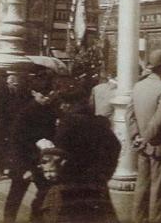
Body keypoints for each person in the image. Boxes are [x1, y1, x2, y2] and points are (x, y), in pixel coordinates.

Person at [40, 87, 121, 223]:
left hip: (71, 183)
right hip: (95, 181)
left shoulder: (67, 124)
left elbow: (60, 154)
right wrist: (105, 172)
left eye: (65, 103)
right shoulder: (100, 123)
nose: (62, 106)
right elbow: (115, 146)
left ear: (72, 104)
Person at [125, 49, 161, 223]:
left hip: (142, 145)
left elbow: (129, 114)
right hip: (158, 143)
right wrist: (146, 137)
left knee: (142, 184)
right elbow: (158, 120)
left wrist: (136, 137)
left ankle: (138, 219)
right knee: (158, 188)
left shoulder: (138, 85)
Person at [3, 74, 57, 223]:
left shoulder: (51, 111)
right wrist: (24, 168)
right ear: (34, 93)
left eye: (49, 94)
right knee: (16, 196)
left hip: (42, 161)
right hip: (25, 160)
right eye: (43, 95)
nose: (47, 98)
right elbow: (16, 142)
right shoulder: (25, 113)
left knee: (44, 194)